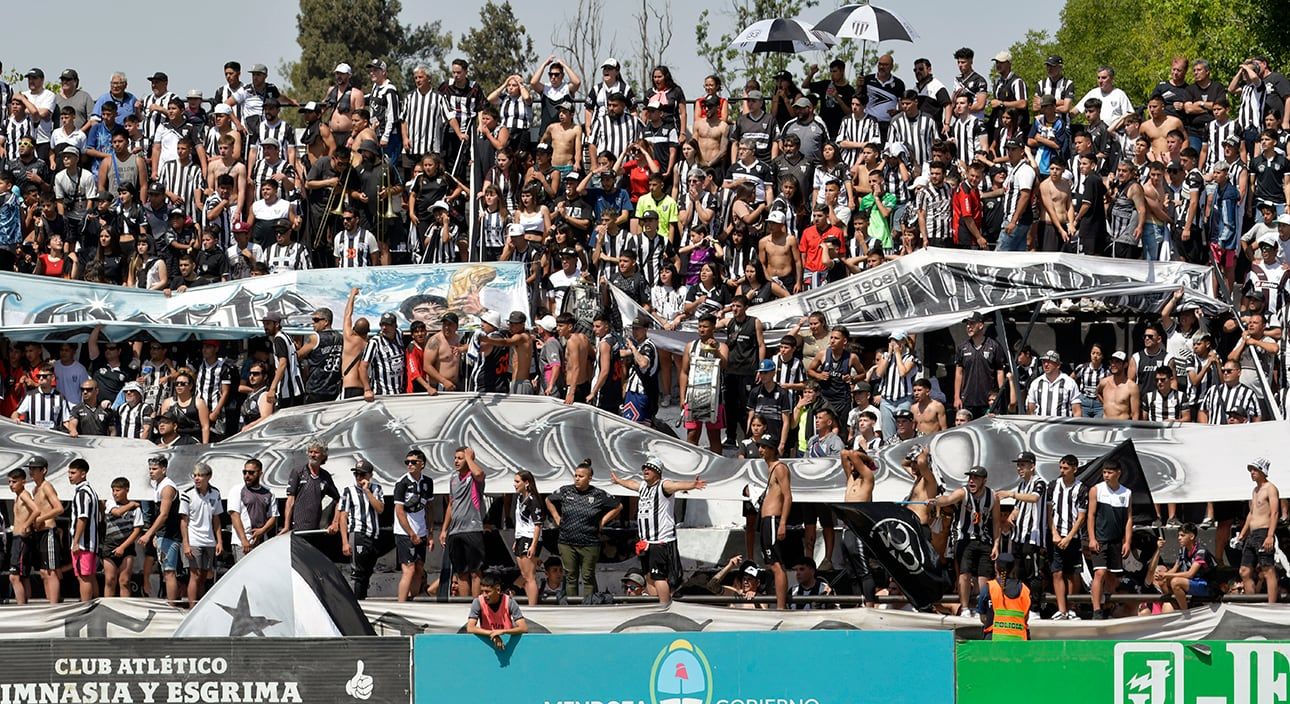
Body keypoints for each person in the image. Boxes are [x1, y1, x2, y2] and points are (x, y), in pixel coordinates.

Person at [610, 458, 707, 604]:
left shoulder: (663, 486)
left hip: (659, 541)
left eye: (650, 468)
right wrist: (619, 481)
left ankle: (664, 607)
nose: (646, 471)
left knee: (659, 576)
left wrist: (692, 485)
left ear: (658, 472)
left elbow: (676, 485)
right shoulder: (643, 486)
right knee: (648, 576)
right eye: (645, 468)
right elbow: (632, 484)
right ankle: (654, 605)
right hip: (645, 542)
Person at [930, 465, 1000, 617]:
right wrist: (936, 501)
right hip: (964, 538)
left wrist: (996, 544)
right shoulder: (963, 492)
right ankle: (966, 608)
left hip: (984, 540)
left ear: (984, 480)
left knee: (984, 577)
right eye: (970, 478)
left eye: (976, 478)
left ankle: (982, 608)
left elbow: (996, 522)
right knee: (965, 574)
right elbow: (948, 499)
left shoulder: (993, 496)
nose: (972, 481)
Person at [545, 460, 622, 598]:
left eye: (581, 476)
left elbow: (618, 506)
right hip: (566, 541)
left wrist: (603, 520)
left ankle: (589, 604)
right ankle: (572, 607)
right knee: (570, 576)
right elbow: (548, 500)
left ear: (589, 478)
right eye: (575, 475)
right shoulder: (565, 490)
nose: (577, 479)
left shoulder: (598, 494)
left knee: (587, 576)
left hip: (589, 542)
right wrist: (556, 517)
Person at [1087, 459, 1133, 619]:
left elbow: (1128, 518)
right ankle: (1096, 610)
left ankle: (1110, 607)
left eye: (1109, 472)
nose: (1106, 475)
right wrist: (1092, 539)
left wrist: (1127, 541)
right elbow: (1091, 515)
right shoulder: (1096, 490)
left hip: (1116, 540)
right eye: (1104, 472)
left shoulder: (1126, 493)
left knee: (1113, 576)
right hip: (1100, 539)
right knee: (1099, 573)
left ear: (1118, 473)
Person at [440, 446, 487, 598]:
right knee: (461, 572)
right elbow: (451, 504)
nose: (456, 461)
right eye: (455, 458)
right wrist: (444, 529)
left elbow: (479, 473)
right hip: (455, 531)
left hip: (472, 529)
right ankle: (464, 606)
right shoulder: (453, 479)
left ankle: (476, 606)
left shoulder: (473, 478)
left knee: (475, 571)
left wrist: (469, 458)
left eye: (460, 458)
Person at [755, 434, 793, 609]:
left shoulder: (780, 468)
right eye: (760, 446)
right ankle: (779, 605)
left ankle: (780, 607)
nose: (760, 450)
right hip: (766, 521)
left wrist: (783, 523)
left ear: (772, 449)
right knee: (771, 564)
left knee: (777, 565)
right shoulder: (771, 469)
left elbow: (788, 496)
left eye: (764, 447)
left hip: (773, 520)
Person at [337, 458, 384, 600]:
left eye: (362, 474)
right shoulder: (348, 491)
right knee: (358, 572)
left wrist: (367, 491)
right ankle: (358, 603)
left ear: (370, 475)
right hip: (358, 533)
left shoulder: (376, 489)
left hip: (373, 535)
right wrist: (345, 542)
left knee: (368, 571)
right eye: (356, 474)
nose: (359, 478)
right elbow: (343, 517)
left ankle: (363, 600)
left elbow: (380, 509)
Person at [1047, 454, 1087, 620]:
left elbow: (1081, 516)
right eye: (1060, 468)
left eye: (1066, 468)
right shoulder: (1053, 485)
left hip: (1072, 536)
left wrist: (1069, 537)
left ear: (1074, 469)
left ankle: (1072, 609)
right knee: (1057, 572)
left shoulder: (1082, 488)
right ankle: (1061, 610)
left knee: (1072, 574)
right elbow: (1048, 512)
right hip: (1056, 536)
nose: (1062, 471)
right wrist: (1054, 533)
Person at [394, 448, 435, 602]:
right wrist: (411, 533)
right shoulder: (402, 483)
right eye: (407, 462)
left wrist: (430, 533)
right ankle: (401, 605)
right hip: (405, 532)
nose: (409, 465)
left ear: (422, 464)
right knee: (409, 569)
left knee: (419, 568)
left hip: (421, 530)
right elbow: (399, 511)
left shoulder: (427, 482)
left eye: (413, 462)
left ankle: (413, 600)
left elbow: (430, 508)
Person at [139, 455, 182, 603]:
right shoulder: (159, 485)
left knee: (169, 572)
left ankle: (172, 605)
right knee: (166, 571)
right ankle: (171, 602)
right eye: (150, 469)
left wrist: (149, 534)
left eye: (155, 469)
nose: (151, 472)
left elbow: (164, 515)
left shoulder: (167, 487)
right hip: (164, 534)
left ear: (164, 469)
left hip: (170, 535)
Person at [1237, 458, 1280, 604]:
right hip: (1252, 534)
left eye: (1255, 469)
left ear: (1263, 471)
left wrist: (1270, 535)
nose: (1252, 473)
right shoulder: (1255, 490)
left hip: (1264, 532)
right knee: (1244, 571)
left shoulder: (1270, 488)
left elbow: (1275, 512)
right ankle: (1253, 605)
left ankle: (1271, 606)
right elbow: (1252, 513)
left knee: (1267, 570)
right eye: (1251, 470)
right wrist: (1242, 535)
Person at [179, 461, 223, 605]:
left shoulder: (215, 493)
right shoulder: (187, 494)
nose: (197, 478)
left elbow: (216, 518)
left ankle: (200, 606)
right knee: (194, 575)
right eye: (195, 475)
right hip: (194, 540)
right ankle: (192, 607)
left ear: (208, 477)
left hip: (209, 540)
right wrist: (186, 544)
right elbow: (184, 521)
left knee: (205, 575)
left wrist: (219, 541)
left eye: (200, 475)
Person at [28, 456, 67, 604]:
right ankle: (50, 601)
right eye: (30, 469)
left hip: (49, 531)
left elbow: (59, 508)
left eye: (34, 469)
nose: (31, 472)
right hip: (40, 532)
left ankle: (54, 606)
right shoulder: (35, 489)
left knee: (51, 572)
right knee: (44, 572)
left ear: (43, 470)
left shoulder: (46, 486)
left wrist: (39, 519)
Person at [282, 441, 341, 539]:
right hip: (297, 529)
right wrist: (286, 525)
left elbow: (339, 500)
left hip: (315, 529)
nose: (312, 455)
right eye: (310, 452)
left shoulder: (325, 476)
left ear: (323, 455)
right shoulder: (298, 471)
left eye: (316, 452)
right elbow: (290, 500)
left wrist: (335, 523)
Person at [1152, 522, 1214, 611]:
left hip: (1207, 585)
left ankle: (1185, 612)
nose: (1179, 538)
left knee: (1175, 582)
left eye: (1182, 535)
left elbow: (1190, 574)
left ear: (1191, 537)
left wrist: (1166, 575)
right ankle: (1177, 604)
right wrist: (1161, 575)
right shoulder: (1183, 550)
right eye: (1178, 535)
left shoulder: (1201, 551)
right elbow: (1174, 569)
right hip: (1192, 583)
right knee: (1162, 581)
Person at [227, 458, 278, 561]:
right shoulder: (237, 490)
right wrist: (244, 540)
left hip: (262, 542)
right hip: (242, 543)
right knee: (243, 576)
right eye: (244, 472)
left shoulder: (269, 492)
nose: (247, 475)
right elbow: (234, 516)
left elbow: (273, 516)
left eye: (251, 472)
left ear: (260, 473)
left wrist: (262, 531)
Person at [466, 572, 528, 650]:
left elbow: (523, 628)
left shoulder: (509, 602)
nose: (484, 595)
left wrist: (503, 631)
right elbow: (470, 628)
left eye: (488, 592)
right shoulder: (478, 602)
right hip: (487, 643)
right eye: (482, 591)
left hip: (507, 644)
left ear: (498, 589)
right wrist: (493, 634)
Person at [68, 458, 101, 602]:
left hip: (84, 543)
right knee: (90, 575)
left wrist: (76, 542)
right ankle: (95, 605)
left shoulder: (82, 493)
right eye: (69, 472)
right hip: (90, 541)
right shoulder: (91, 491)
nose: (70, 476)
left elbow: (83, 518)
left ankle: (86, 607)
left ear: (83, 474)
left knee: (84, 576)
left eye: (73, 473)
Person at [978, 553, 1031, 640]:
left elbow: (983, 618)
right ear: (1014, 568)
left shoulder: (989, 587)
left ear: (996, 567)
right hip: (1019, 642)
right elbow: (1026, 617)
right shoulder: (1024, 589)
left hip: (993, 640)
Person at [512, 469, 544, 606]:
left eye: (517, 481)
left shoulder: (533, 500)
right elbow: (520, 521)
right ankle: (514, 592)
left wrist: (534, 544)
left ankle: (533, 607)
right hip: (521, 537)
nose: (514, 484)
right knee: (524, 575)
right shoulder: (520, 498)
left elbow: (538, 524)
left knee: (530, 576)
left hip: (530, 538)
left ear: (526, 483)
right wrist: (516, 539)